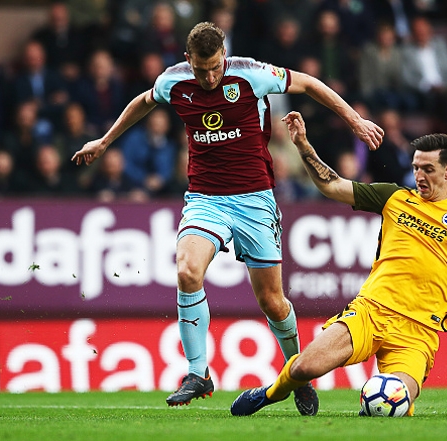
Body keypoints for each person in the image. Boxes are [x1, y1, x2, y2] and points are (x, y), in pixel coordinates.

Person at [71, 21, 384, 414]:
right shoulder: (174, 81)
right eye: (201, 70)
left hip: (255, 200)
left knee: (272, 302)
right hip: (206, 199)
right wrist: (104, 141)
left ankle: (298, 375)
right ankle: (198, 372)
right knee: (187, 271)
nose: (209, 77)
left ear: (224, 55)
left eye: (216, 67)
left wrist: (354, 120)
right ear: (188, 59)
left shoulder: (250, 74)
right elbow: (144, 101)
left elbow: (308, 83)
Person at [230, 111, 447, 417]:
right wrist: (303, 144)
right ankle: (270, 393)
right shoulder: (394, 197)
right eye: (415, 168)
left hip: (418, 331)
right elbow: (333, 186)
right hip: (371, 311)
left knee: (396, 400)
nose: (419, 176)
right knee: (304, 367)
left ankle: (375, 409)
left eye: (428, 169)